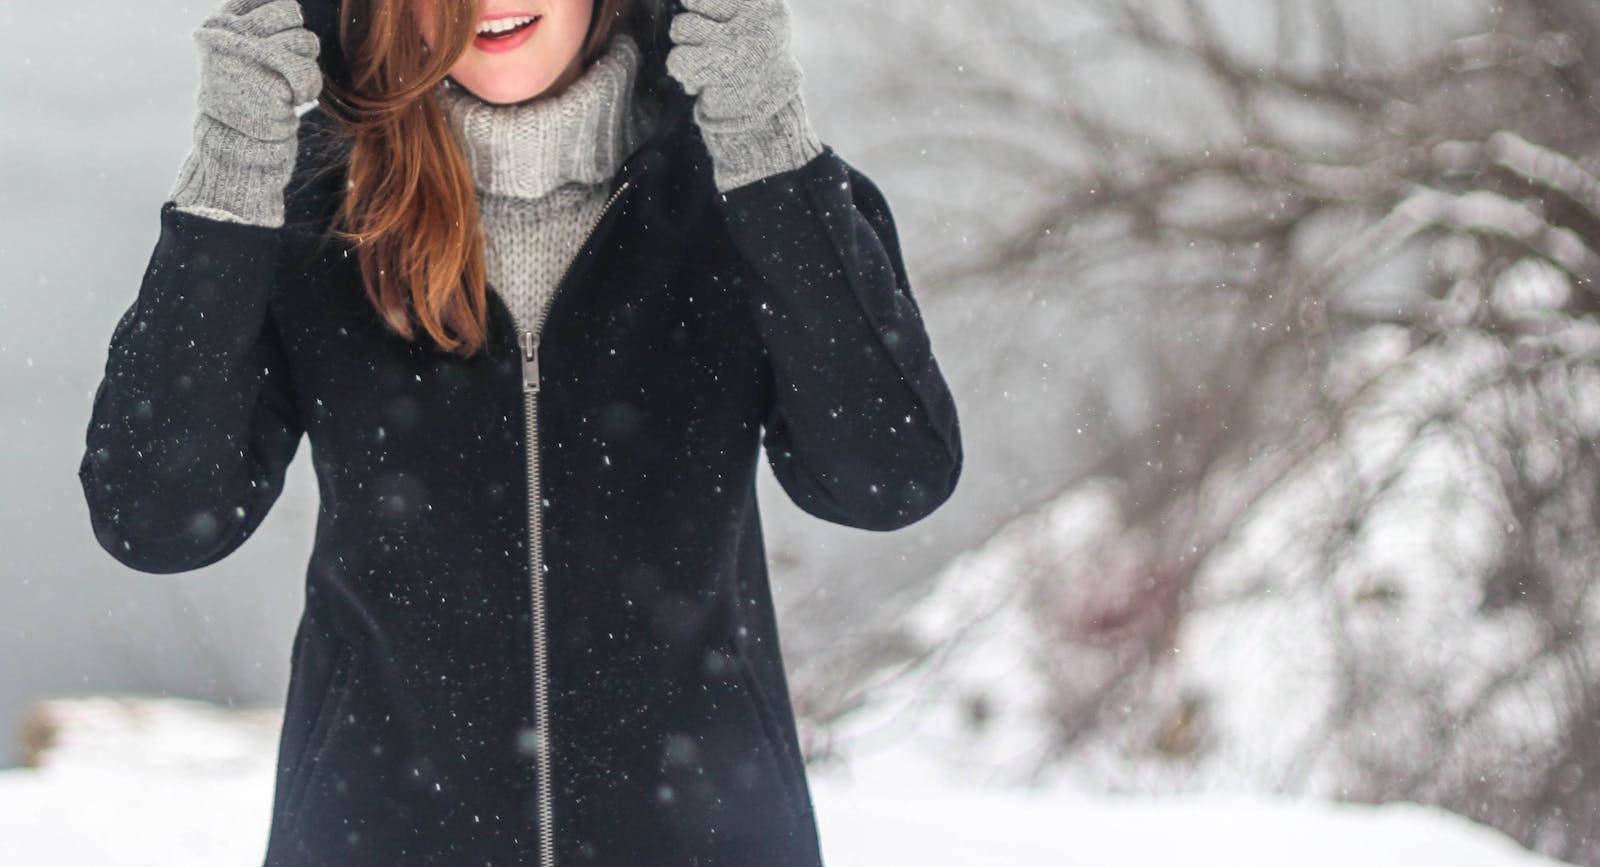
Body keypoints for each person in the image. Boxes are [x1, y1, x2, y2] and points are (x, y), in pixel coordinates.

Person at [76, 0, 963, 863]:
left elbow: (888, 477)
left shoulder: (747, 189)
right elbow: (154, 516)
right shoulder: (316, 209)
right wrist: (234, 165)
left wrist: (764, 131)